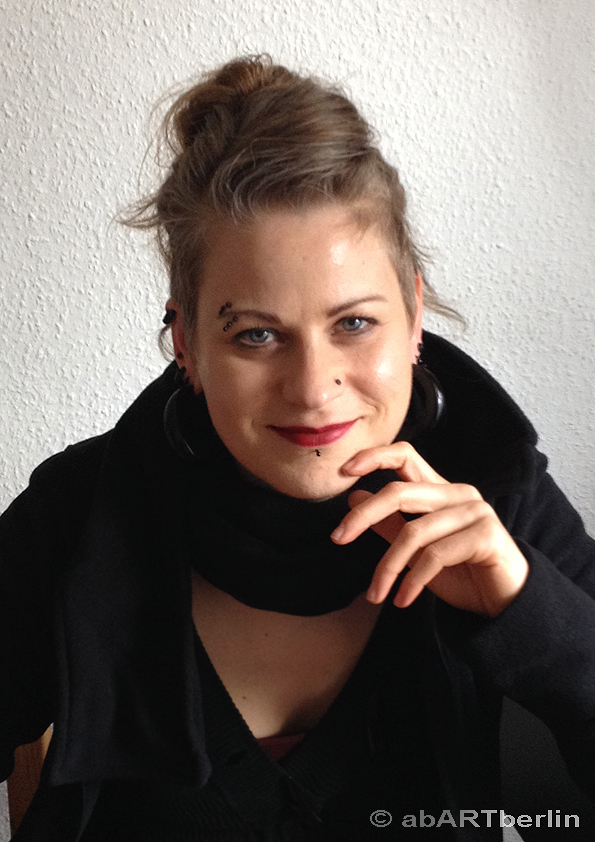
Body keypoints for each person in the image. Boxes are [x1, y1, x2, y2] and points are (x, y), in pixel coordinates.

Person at [1, 55, 594, 841]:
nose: (313, 388)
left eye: (354, 323)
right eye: (255, 334)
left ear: (413, 317)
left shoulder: (496, 495)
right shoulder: (76, 515)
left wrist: (523, 606)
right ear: (186, 344)